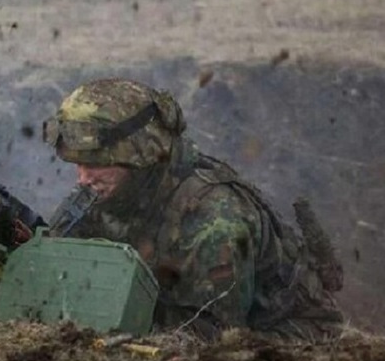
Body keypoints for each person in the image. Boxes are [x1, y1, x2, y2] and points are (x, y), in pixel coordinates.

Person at [41, 78, 345, 340]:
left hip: (283, 336)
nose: (83, 178)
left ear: (141, 157)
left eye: (96, 164)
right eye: (78, 164)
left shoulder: (215, 222)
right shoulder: (114, 189)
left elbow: (211, 337)